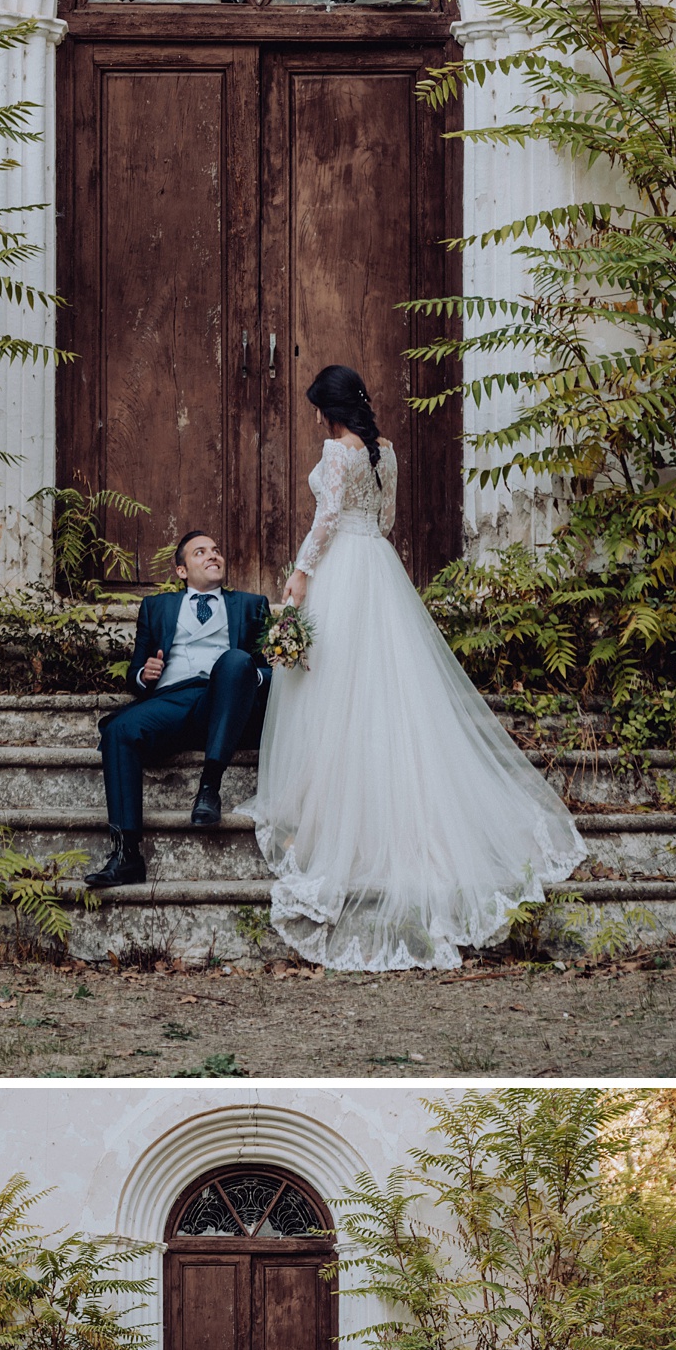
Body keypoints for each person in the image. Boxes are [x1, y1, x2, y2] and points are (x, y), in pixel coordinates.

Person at [255, 357, 585, 974]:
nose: (318, 421)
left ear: (327, 409)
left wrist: (301, 573)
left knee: (337, 694)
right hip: (379, 567)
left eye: (317, 411)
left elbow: (326, 519)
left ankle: (337, 820)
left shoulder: (336, 455)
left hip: (344, 573)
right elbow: (385, 522)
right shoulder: (388, 453)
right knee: (387, 693)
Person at [95, 529, 270, 891]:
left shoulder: (252, 605)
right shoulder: (156, 608)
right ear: (181, 571)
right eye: (200, 552)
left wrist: (245, 675)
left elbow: (270, 669)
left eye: (217, 550)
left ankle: (209, 787)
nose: (213, 556)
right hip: (171, 701)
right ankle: (127, 854)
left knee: (236, 660)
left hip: (221, 702)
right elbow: (134, 674)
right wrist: (145, 673)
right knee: (118, 731)